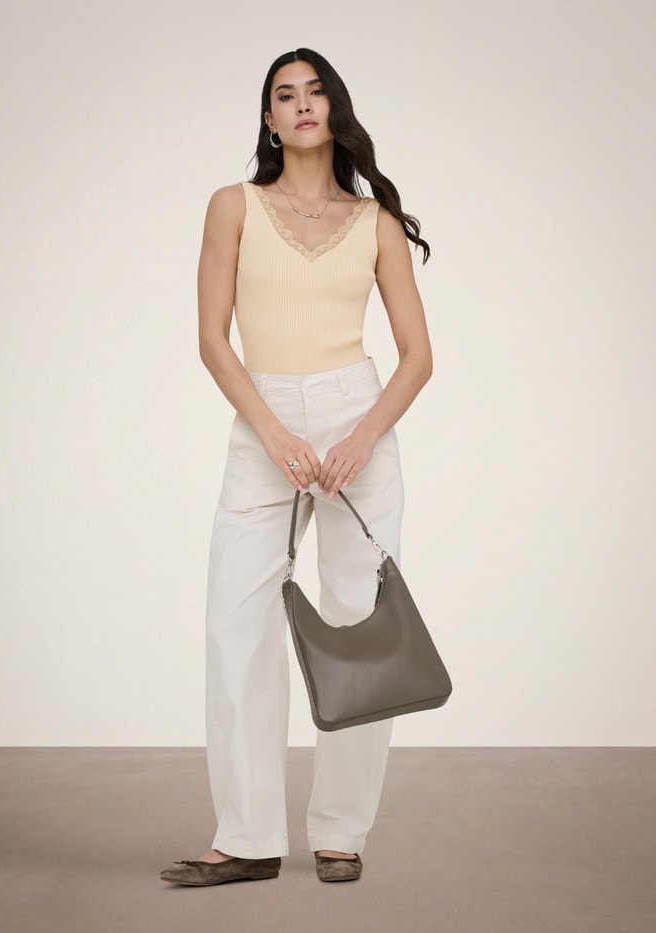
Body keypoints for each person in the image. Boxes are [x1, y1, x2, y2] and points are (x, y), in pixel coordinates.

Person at [160, 48, 432, 887]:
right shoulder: (233, 205)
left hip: (359, 419)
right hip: (264, 418)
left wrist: (362, 437)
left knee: (361, 626)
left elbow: (417, 357)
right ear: (269, 119)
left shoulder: (376, 221)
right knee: (236, 624)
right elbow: (212, 339)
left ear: (334, 108)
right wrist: (274, 432)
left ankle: (342, 830)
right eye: (285, 94)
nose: (302, 103)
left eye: (315, 91)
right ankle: (247, 837)